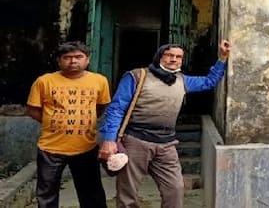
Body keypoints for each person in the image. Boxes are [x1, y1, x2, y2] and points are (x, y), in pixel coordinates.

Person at [98, 40, 231, 208]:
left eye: (179, 57)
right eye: (169, 55)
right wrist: (109, 140)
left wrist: (222, 58)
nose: (174, 59)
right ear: (159, 56)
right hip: (136, 141)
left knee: (175, 188)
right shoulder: (137, 76)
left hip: (166, 144)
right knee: (128, 193)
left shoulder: (183, 81)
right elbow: (116, 108)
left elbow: (209, 81)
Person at [26, 41, 111, 208]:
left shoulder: (99, 80)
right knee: (46, 194)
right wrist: (55, 122)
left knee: (92, 194)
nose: (73, 61)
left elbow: (101, 107)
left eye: (79, 57)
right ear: (59, 61)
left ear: (87, 60)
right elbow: (33, 110)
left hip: (86, 147)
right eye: (67, 58)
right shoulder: (44, 81)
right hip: (50, 149)